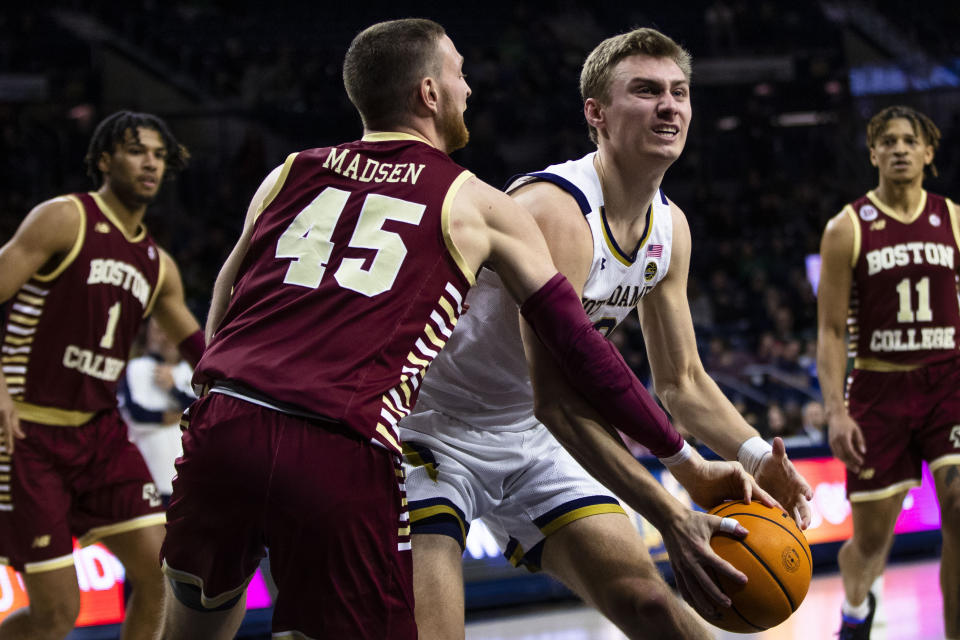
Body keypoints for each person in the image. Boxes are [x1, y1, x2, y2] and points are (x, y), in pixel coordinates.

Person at [157, 19, 772, 640]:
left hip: (243, 420)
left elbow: (226, 296)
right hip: (411, 433)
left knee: (651, 607)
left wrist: (211, 391)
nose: (470, 88)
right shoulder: (489, 202)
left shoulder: (289, 169)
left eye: (678, 92)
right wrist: (679, 477)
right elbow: (576, 361)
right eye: (459, 73)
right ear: (429, 93)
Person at [399, 27, 813, 640]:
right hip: (430, 432)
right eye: (645, 91)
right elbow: (559, 399)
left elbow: (683, 382)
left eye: (679, 92)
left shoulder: (671, 228)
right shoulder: (556, 210)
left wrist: (754, 454)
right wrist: (672, 507)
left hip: (529, 437)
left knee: (651, 606)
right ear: (595, 112)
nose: (669, 106)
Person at [0, 111, 203, 640]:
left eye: (159, 155)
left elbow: (204, 352)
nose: (151, 163)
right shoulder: (63, 218)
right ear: (105, 159)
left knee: (161, 575)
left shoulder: (158, 264)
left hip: (99, 436)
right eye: (138, 151)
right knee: (56, 615)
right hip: (28, 434)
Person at [818, 105, 960, 640]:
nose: (899, 149)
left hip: (948, 382)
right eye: (888, 141)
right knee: (872, 542)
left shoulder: (954, 218)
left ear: (929, 152)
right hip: (879, 390)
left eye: (910, 140)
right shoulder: (846, 227)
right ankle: (856, 608)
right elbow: (831, 332)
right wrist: (836, 411)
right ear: (873, 153)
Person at [119, 318, 195, 502]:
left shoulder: (190, 371)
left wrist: (174, 390)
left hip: (185, 481)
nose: (165, 337)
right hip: (148, 479)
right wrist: (181, 416)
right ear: (148, 334)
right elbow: (137, 416)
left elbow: (205, 412)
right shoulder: (136, 368)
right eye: (159, 330)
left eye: (170, 329)